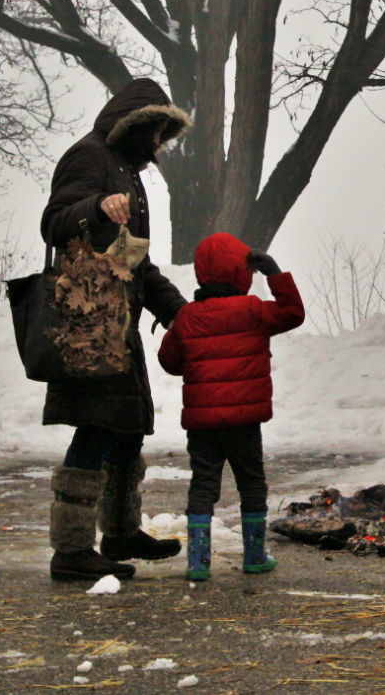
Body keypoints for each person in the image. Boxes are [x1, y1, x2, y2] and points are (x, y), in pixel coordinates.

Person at [40, 77, 190, 582]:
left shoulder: (126, 170)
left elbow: (134, 262)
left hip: (116, 317)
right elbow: (54, 222)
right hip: (88, 320)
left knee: (126, 425)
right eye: (154, 134)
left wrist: (177, 312)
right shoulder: (88, 159)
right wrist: (95, 207)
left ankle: (121, 532)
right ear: (135, 124)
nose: (157, 146)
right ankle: (71, 548)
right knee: (97, 425)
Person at [157, 233, 305, 581]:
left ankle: (197, 561)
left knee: (203, 485)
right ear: (244, 274)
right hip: (244, 423)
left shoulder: (189, 317)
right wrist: (276, 274)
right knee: (251, 483)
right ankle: (254, 555)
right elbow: (293, 314)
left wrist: (177, 329)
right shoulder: (253, 310)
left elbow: (170, 361)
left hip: (203, 425)